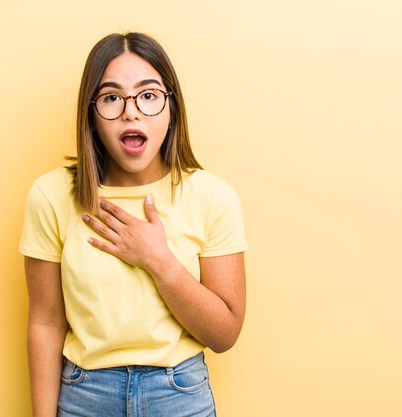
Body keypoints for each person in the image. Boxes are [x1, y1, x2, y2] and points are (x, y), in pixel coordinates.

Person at [20, 32, 247, 417]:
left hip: (179, 395)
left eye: (148, 95)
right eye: (111, 97)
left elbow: (224, 335)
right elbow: (46, 322)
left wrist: (158, 260)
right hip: (84, 396)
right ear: (91, 113)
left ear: (171, 106)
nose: (131, 111)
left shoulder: (211, 196)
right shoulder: (51, 195)